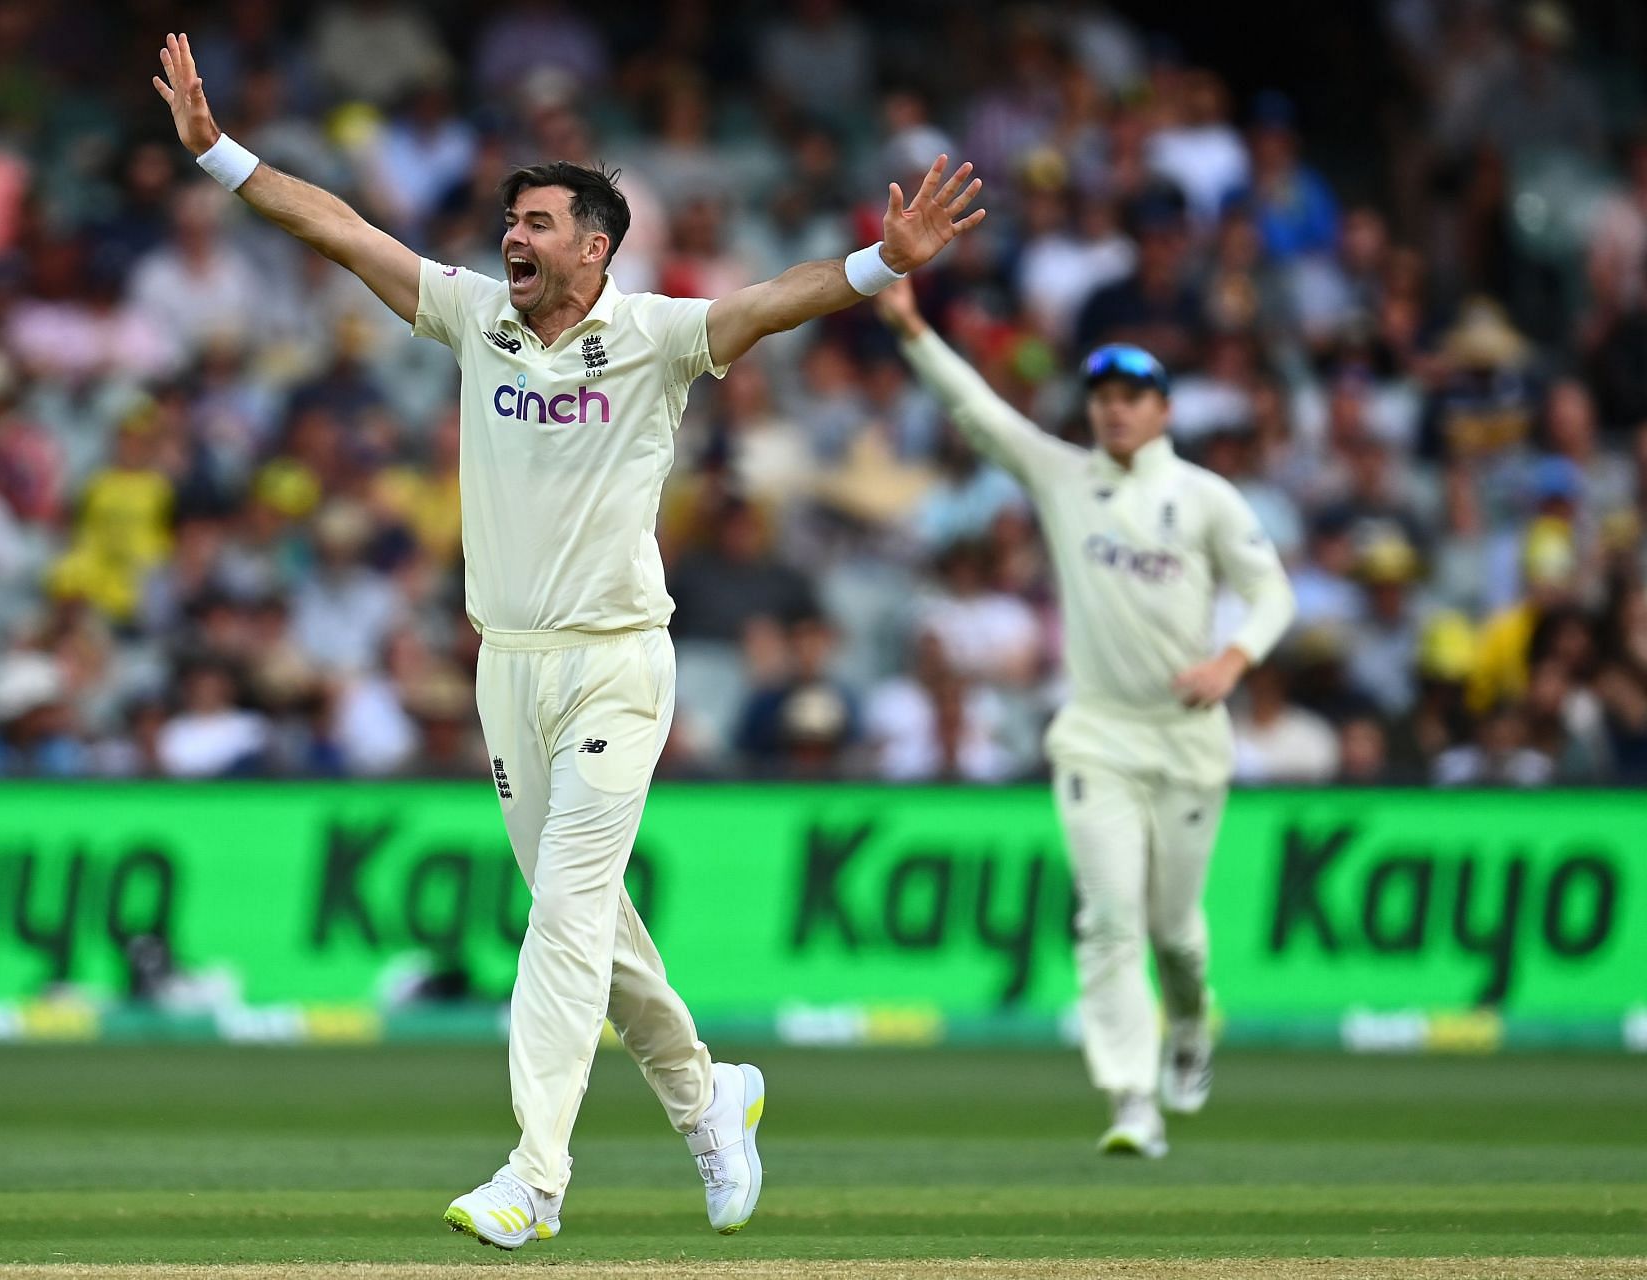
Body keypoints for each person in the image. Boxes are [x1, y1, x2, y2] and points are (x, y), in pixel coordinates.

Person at [151, 31, 984, 1248]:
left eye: (539, 221)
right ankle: (709, 1094)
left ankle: (535, 1176)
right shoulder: (472, 316)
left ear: (596, 244)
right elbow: (336, 229)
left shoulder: (655, 334)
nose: (514, 236)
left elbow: (766, 304)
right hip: (508, 667)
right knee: (588, 923)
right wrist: (219, 153)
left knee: (563, 920)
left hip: (615, 661)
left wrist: (876, 262)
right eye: (511, 219)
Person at [873, 275, 1294, 1159]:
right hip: (1097, 734)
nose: (1114, 412)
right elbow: (982, 416)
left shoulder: (1205, 497)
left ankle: (1188, 1029)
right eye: (1102, 397)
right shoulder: (1065, 478)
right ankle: (1130, 1096)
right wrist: (914, 333)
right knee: (1108, 919)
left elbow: (1271, 593)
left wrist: (1233, 659)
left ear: (1163, 408)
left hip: (1186, 739)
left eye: (1132, 397)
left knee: (1176, 933)